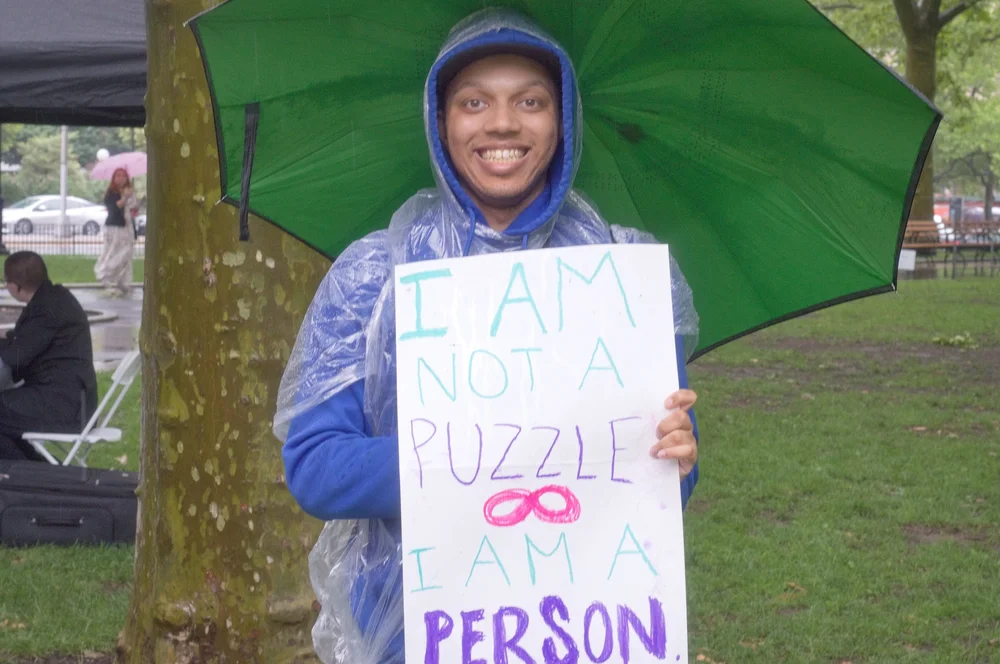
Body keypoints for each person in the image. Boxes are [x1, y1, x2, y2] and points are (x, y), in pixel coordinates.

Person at [275, 10, 701, 663]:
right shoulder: (374, 275)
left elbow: (653, 483)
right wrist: (479, 459)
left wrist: (677, 453)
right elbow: (315, 469)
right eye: (474, 102)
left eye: (530, 101)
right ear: (440, 120)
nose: (502, 123)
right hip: (416, 633)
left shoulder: (625, 276)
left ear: (562, 121)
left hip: (584, 628)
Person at [0, 252, 98, 461]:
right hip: (71, 402)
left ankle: (26, 476)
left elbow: (16, 358)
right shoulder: (56, 298)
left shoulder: (45, 309)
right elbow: (26, 343)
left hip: (65, 408)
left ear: (14, 286)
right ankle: (40, 472)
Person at [95, 167, 137, 297]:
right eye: (118, 176)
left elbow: (132, 209)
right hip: (114, 227)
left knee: (127, 254)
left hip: (127, 226)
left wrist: (133, 201)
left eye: (123, 176)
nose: (121, 178)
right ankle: (105, 276)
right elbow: (114, 207)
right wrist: (124, 197)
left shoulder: (129, 191)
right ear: (113, 178)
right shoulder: (111, 193)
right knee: (113, 252)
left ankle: (123, 282)